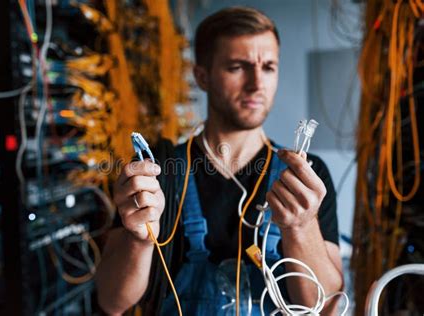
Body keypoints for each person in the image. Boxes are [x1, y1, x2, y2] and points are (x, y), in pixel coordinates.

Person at [96, 6, 343, 315]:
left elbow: (328, 309)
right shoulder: (159, 171)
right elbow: (111, 301)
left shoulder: (306, 177)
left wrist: (300, 228)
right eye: (237, 67)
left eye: (268, 67)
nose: (256, 84)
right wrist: (140, 239)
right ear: (202, 76)